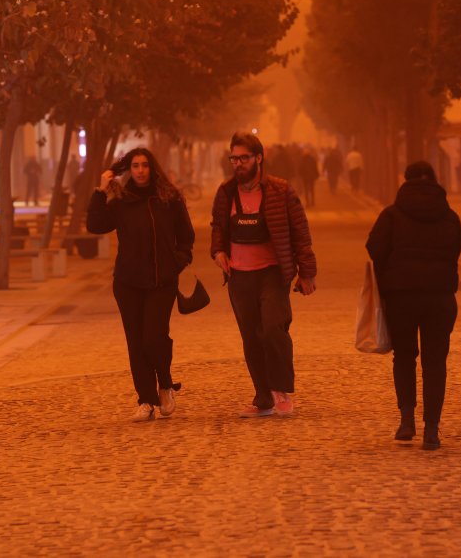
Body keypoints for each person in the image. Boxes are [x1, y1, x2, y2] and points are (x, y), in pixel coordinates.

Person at [211, 132, 318, 417]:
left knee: (272, 329)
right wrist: (218, 251)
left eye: (244, 158)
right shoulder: (226, 192)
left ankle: (280, 389)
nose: (238, 164)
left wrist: (306, 272)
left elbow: (300, 232)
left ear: (259, 158)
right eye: (234, 158)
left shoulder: (281, 191)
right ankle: (263, 398)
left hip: (273, 273)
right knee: (251, 337)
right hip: (239, 276)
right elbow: (218, 226)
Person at [87, 148, 195, 423]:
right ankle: (146, 400)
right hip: (128, 283)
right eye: (135, 166)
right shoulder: (122, 200)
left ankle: (165, 384)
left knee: (154, 337)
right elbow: (95, 225)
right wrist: (101, 190)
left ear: (152, 167)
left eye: (145, 165)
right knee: (136, 343)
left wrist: (176, 262)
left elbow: (186, 236)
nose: (140, 170)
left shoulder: (169, 198)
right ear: (129, 170)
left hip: (161, 282)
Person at [365, 161, 461, 450]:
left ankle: (406, 421)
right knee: (435, 362)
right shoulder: (449, 216)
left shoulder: (391, 215)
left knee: (404, 357)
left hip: (401, 297)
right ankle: (432, 430)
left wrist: (392, 272)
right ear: (434, 179)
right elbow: (454, 250)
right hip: (439, 297)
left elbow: (374, 248)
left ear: (405, 180)